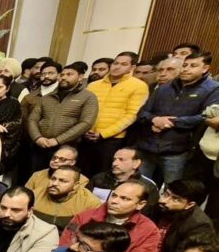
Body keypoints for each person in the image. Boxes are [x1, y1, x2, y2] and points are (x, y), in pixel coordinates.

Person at [136, 51, 219, 183]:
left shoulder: (213, 89)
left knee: (173, 190)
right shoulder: (164, 87)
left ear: (205, 68)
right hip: (148, 145)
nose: (186, 69)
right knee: (139, 186)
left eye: (193, 66)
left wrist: (171, 122)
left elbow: (205, 117)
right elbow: (142, 112)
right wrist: (155, 119)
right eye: (185, 65)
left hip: (179, 149)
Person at [60, 180, 160, 252]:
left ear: (140, 204)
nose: (114, 201)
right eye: (114, 195)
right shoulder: (83, 217)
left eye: (124, 199)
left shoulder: (149, 230)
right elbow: (64, 246)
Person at [86, 51, 151, 175]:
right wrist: (85, 129)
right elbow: (84, 110)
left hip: (112, 139)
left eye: (123, 64)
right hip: (87, 136)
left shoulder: (139, 86)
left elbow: (132, 115)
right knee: (83, 172)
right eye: (115, 63)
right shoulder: (93, 85)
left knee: (104, 175)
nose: (117, 67)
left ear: (132, 67)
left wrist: (103, 134)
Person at [26, 63, 98, 169]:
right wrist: (38, 138)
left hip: (67, 147)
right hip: (41, 145)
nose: (64, 77)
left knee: (61, 176)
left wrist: (58, 140)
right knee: (37, 175)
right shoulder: (47, 97)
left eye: (69, 74)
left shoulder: (88, 97)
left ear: (80, 77)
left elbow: (86, 122)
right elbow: (32, 119)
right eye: (62, 75)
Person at [153, 179, 214, 252]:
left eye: (175, 199)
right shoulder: (159, 207)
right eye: (166, 194)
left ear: (189, 205)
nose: (164, 200)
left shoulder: (199, 225)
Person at [32, 165, 102, 231]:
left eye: (62, 181)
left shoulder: (90, 202)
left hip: (70, 238)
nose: (54, 183)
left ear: (76, 185)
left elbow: (92, 231)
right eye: (53, 179)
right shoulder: (35, 194)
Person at [88, 145, 159, 206]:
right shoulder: (99, 178)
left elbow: (147, 212)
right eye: (114, 159)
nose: (114, 163)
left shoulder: (148, 186)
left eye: (121, 160)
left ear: (136, 163)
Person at [23, 143, 89, 199]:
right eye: (54, 157)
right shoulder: (37, 175)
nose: (56, 161)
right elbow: (25, 196)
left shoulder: (82, 180)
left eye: (62, 159)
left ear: (72, 162)